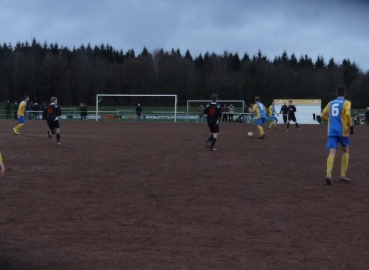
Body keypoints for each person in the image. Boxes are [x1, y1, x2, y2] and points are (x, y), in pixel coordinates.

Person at [320, 86, 354, 185]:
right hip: (343, 131)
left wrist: (329, 120)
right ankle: (342, 174)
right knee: (346, 151)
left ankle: (328, 174)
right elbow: (347, 114)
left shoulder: (330, 103)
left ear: (336, 93)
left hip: (332, 131)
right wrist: (351, 126)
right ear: (345, 93)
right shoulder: (346, 102)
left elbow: (322, 115)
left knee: (331, 153)